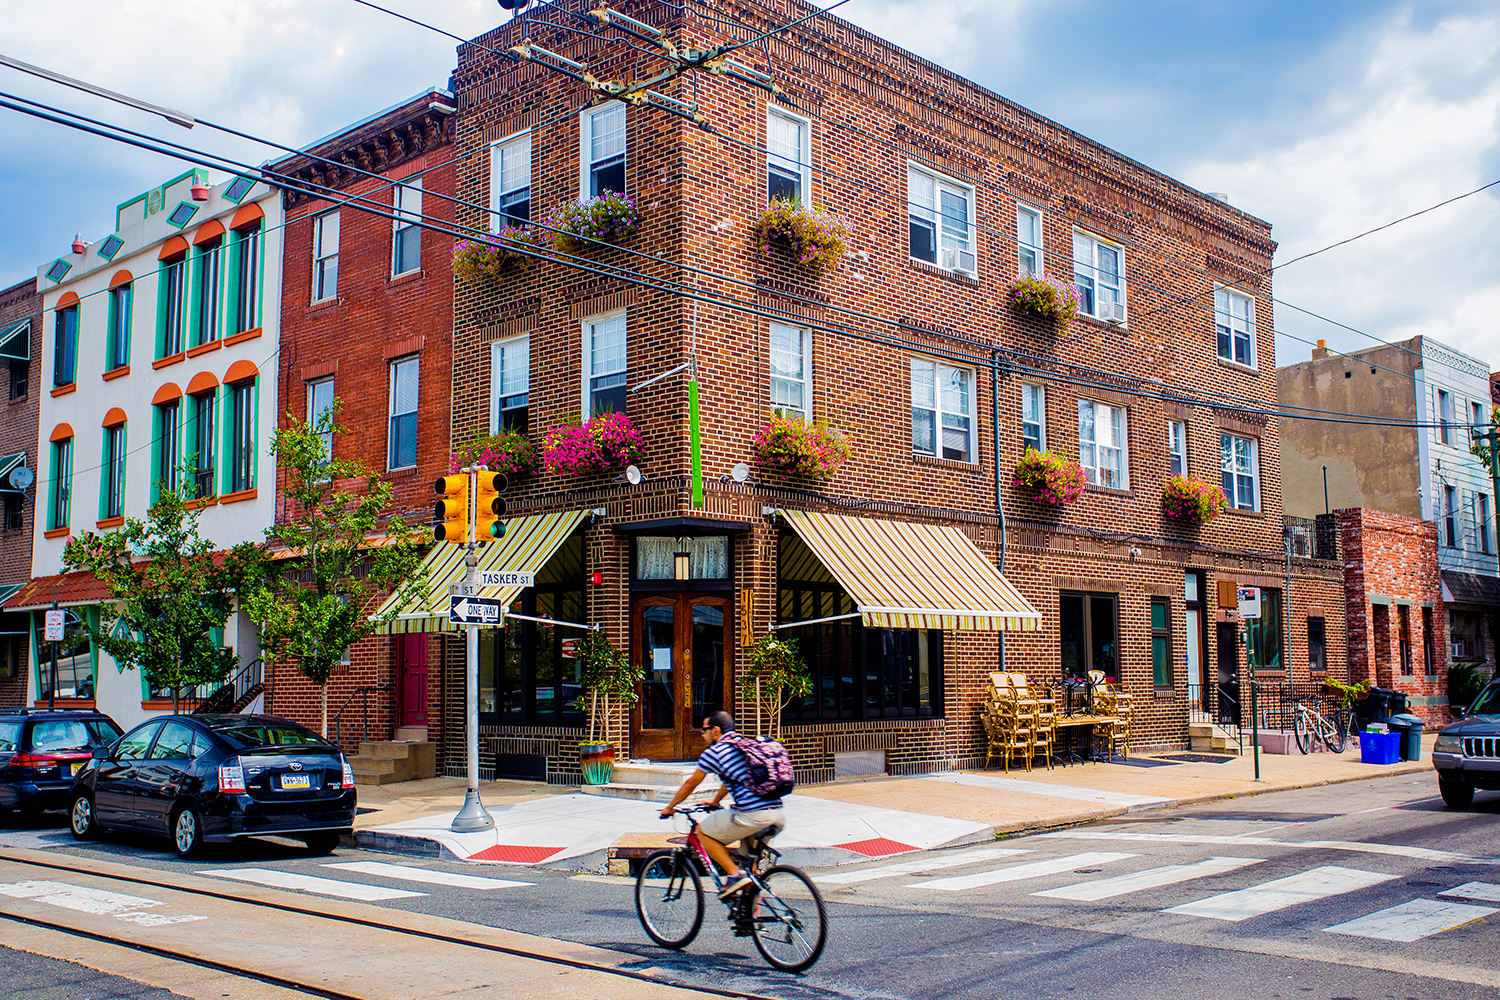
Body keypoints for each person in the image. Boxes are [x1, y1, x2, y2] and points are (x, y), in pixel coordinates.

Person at [660, 710, 785, 899]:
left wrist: (670, 807)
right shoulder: (747, 746)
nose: (701, 734)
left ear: (716, 730)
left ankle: (733, 876)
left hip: (753, 814)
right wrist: (716, 801)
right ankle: (752, 925)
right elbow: (731, 779)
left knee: (703, 832)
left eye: (704, 730)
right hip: (777, 814)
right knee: (750, 871)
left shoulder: (715, 752)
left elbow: (691, 783)